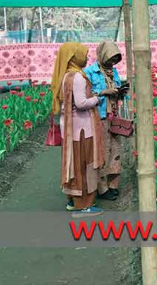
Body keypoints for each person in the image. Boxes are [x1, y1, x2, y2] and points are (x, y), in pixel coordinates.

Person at [51, 43, 105, 217]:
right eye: (84, 54)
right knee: (84, 165)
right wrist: (97, 98)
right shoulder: (78, 78)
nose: (87, 57)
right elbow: (81, 104)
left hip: (70, 128)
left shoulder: (66, 75)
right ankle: (84, 206)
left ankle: (74, 201)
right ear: (74, 57)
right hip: (83, 130)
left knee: (74, 165)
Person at [84, 41, 126, 200]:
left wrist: (121, 92)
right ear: (101, 55)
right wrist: (103, 92)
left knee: (115, 149)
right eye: (110, 59)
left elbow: (118, 87)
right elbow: (85, 95)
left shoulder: (113, 72)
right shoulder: (89, 72)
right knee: (101, 151)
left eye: (115, 59)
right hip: (98, 116)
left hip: (113, 115)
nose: (112, 63)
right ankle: (101, 188)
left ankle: (113, 184)